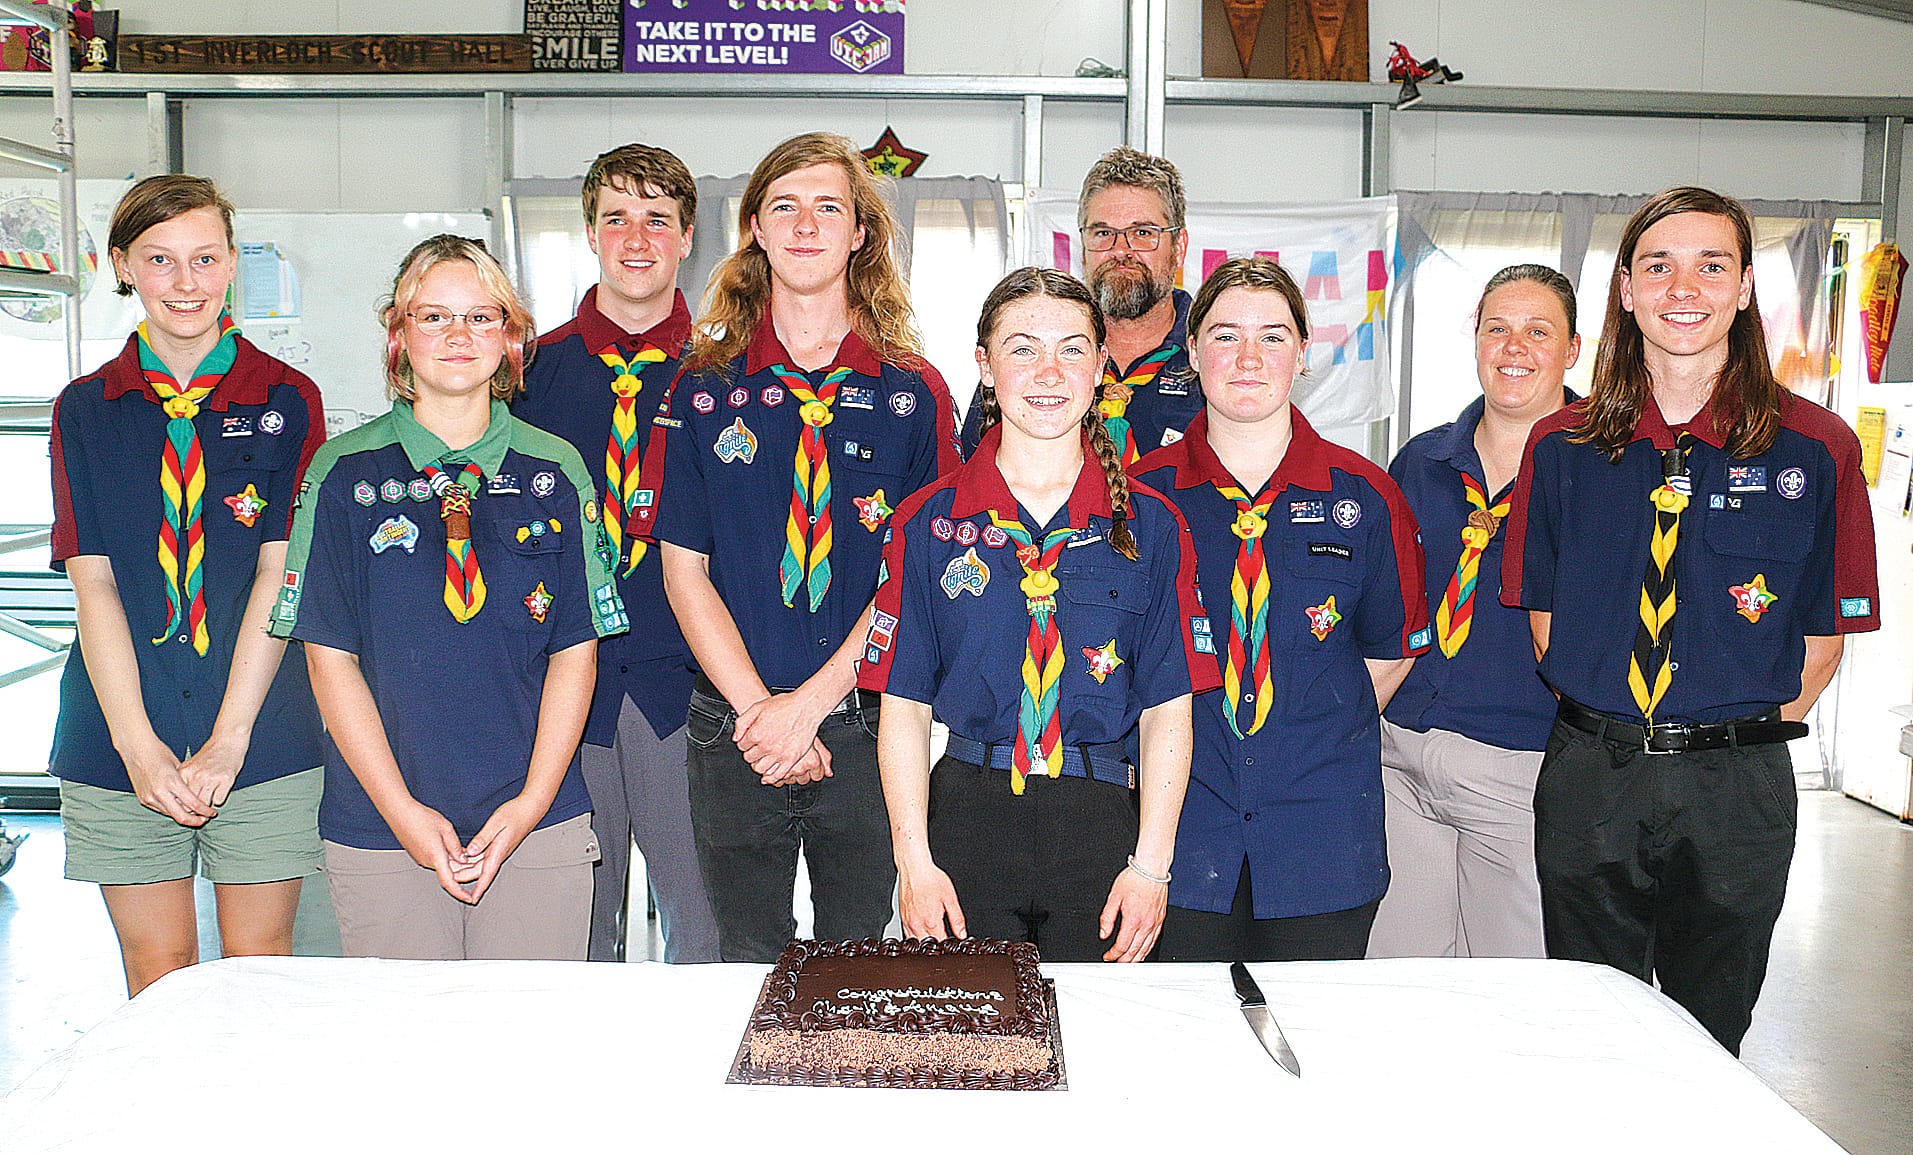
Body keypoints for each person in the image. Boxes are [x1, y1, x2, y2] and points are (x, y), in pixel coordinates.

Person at [1501, 187, 1879, 1054]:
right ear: (1625, 290)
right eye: (1658, 266)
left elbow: (1823, 639)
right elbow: (1546, 625)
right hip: (1593, 776)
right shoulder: (1560, 447)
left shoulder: (1814, 446)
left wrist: (1724, 738)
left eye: (1710, 265)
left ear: (1745, 287)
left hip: (1735, 787)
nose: (1683, 288)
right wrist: (1621, 730)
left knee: (1712, 1039)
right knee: (1591, 1027)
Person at [642, 132, 959, 962]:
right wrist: (761, 714)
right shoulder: (701, 385)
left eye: (829, 207)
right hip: (730, 724)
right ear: (753, 227)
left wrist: (809, 706)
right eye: (784, 205)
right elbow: (683, 570)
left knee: (857, 962)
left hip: (862, 725)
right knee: (741, 959)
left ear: (861, 233)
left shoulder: (912, 392)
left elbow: (912, 580)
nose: (806, 224)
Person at [272, 235, 625, 961]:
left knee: (524, 1044)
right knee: (404, 1052)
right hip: (380, 820)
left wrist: (528, 806)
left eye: (480, 316)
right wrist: (402, 813)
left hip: (536, 818)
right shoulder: (342, 472)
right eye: (433, 317)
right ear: (399, 337)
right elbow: (328, 660)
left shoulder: (555, 469)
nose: (458, 335)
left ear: (511, 336)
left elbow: (574, 651)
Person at [865, 267, 1213, 963]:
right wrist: (914, 861)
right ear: (985, 367)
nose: (1047, 372)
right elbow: (902, 708)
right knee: (969, 1048)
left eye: (1072, 349)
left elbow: (1168, 709)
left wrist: (1150, 866)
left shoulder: (1151, 525)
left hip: (1100, 819)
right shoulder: (927, 523)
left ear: (1101, 369)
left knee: (1101, 1049)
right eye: (1022, 348)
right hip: (967, 816)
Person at [49, 174, 327, 996]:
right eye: (161, 260)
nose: (187, 282)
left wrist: (230, 738)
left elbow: (281, 571)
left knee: (258, 971)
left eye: (205, 258)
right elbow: (91, 581)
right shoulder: (86, 409)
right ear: (123, 266)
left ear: (233, 262)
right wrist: (137, 746)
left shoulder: (285, 399)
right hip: (115, 730)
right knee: (159, 974)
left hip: (263, 730)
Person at [1132, 256, 1430, 963]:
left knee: (1312, 1053)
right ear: (1192, 350)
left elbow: (1389, 653)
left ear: (1301, 354)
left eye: (1271, 336)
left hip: (1321, 841)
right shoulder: (1141, 498)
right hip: (1174, 841)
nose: (1246, 357)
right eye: (1225, 334)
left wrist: (1296, 731)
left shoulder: (1365, 495)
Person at [512, 143, 720, 964]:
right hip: (564, 693)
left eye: (657, 220)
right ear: (590, 233)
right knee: (573, 936)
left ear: (686, 237)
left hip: (691, 694)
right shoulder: (526, 374)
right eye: (617, 218)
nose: (637, 239)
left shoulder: (727, 371)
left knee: (702, 933)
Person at [1366, 265, 1581, 960]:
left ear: (1572, 350)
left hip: (1520, 766)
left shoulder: (1604, 471)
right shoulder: (1420, 461)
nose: (1513, 346)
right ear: (1476, 338)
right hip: (1398, 761)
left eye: (1537, 331)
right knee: (1395, 978)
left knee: (1513, 990)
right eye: (1497, 328)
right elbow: (1381, 606)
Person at [962, 147, 1200, 463]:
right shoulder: (1027, 364)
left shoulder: (1218, 360)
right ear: (1082, 245)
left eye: (1142, 233)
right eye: (1103, 233)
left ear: (1179, 247)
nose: (1121, 250)